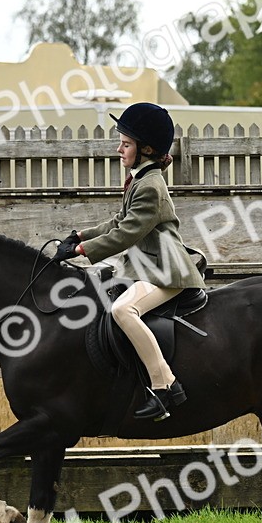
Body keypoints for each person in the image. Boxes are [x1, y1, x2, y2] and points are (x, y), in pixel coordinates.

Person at [54, 102, 206, 421]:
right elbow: (117, 221)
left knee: (124, 310)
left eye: (125, 144)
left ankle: (165, 386)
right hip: (150, 268)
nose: (118, 149)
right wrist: (78, 236)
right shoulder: (140, 179)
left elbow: (126, 235)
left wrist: (81, 253)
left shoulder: (150, 186)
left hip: (169, 273)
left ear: (146, 149)